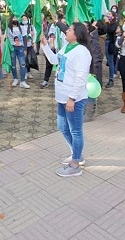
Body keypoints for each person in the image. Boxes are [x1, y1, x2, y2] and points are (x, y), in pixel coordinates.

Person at [41, 22, 91, 177]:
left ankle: (75, 164)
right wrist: (44, 46)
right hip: (62, 97)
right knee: (62, 126)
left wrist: (72, 98)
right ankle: (76, 153)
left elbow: (81, 77)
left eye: (69, 29)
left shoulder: (82, 52)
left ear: (76, 34)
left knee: (76, 130)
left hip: (73, 98)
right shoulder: (67, 47)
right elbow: (55, 60)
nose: (66, 31)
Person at [84, 20, 103, 122]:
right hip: (82, 72)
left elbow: (96, 58)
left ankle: (90, 113)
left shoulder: (93, 42)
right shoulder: (79, 41)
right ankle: (84, 111)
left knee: (91, 92)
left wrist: (92, 72)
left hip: (91, 73)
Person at [6, 17, 30, 89]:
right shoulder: (8, 29)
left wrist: (25, 49)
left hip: (21, 48)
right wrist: (5, 37)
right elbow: (6, 39)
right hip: (12, 48)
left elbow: (24, 38)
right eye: (13, 18)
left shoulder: (22, 28)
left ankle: (22, 81)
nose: (14, 19)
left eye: (16, 18)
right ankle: (15, 79)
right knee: (13, 65)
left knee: (22, 64)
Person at [98, 11, 118, 88]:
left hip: (109, 43)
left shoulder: (114, 24)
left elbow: (110, 30)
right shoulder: (104, 22)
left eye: (109, 14)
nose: (107, 15)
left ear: (113, 17)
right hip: (103, 41)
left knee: (110, 61)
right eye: (107, 14)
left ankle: (111, 79)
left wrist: (107, 23)